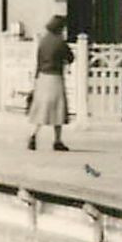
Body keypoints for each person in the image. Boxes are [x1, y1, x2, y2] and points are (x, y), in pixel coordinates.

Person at [26, 15, 73, 151]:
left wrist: (36, 79)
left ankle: (33, 135)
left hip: (42, 77)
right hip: (55, 77)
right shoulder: (60, 42)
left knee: (41, 109)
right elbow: (70, 57)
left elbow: (38, 60)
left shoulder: (43, 41)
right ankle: (57, 140)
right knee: (58, 109)